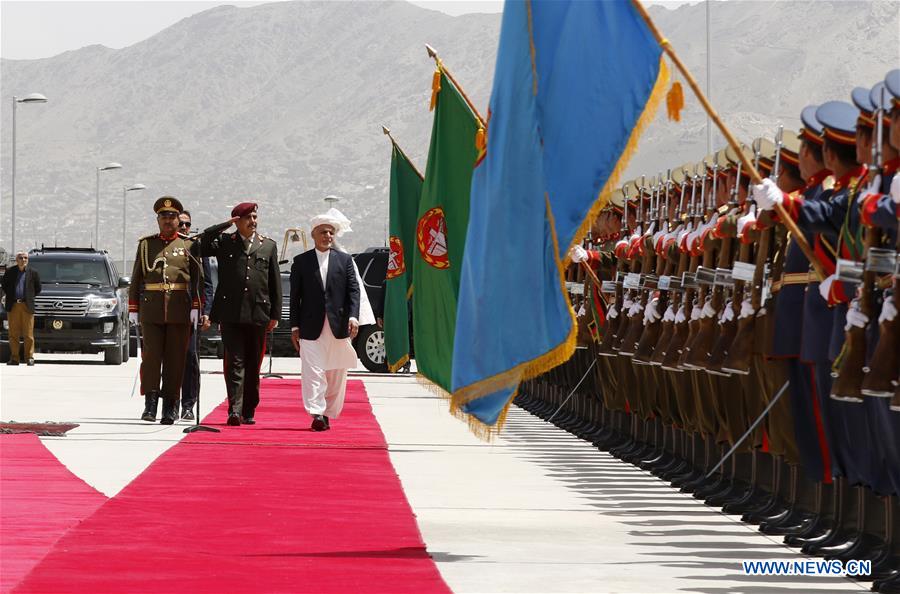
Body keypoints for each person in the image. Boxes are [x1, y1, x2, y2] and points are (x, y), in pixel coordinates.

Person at [200, 202, 281, 426]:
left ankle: (249, 409)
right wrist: (225, 225)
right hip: (230, 312)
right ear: (237, 221)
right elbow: (203, 243)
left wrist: (275, 314)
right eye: (248, 218)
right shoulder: (226, 242)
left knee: (253, 363)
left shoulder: (268, 246)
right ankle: (234, 410)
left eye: (255, 217)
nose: (253, 222)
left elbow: (274, 282)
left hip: (258, 313)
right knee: (234, 362)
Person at [129, 196, 203, 424]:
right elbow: (136, 279)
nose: (168, 220)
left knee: (175, 360)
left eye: (172, 217)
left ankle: (170, 407)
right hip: (151, 310)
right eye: (164, 217)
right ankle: (150, 405)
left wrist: (196, 306)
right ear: (158, 219)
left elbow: (198, 280)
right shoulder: (145, 245)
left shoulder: (188, 245)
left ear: (178, 219)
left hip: (179, 310)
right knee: (150, 359)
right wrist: (133, 307)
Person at [290, 208, 361, 431]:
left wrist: (353, 317)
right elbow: (295, 297)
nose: (327, 236)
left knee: (335, 372)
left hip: (338, 325)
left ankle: (329, 411)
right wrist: (294, 326)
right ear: (314, 234)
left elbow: (353, 291)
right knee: (313, 371)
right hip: (310, 326)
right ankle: (316, 413)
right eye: (323, 232)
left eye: (331, 232)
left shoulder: (345, 260)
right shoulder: (301, 262)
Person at [178, 210, 214, 421]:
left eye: (187, 224)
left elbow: (207, 284)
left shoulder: (197, 248)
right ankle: (168, 405)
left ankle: (189, 405)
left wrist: (206, 311)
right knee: (170, 361)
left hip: (192, 312)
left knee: (191, 358)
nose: (184, 228)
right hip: (168, 313)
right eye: (180, 224)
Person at [1, 251, 42, 366]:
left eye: (25, 258)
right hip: (13, 305)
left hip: (27, 306)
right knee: (13, 334)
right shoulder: (10, 272)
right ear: (16, 260)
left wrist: (28, 297)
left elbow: (38, 288)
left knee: (28, 334)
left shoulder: (33, 273)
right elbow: (4, 285)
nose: (23, 260)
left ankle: (29, 357)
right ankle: (14, 358)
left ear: (27, 260)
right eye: (20, 257)